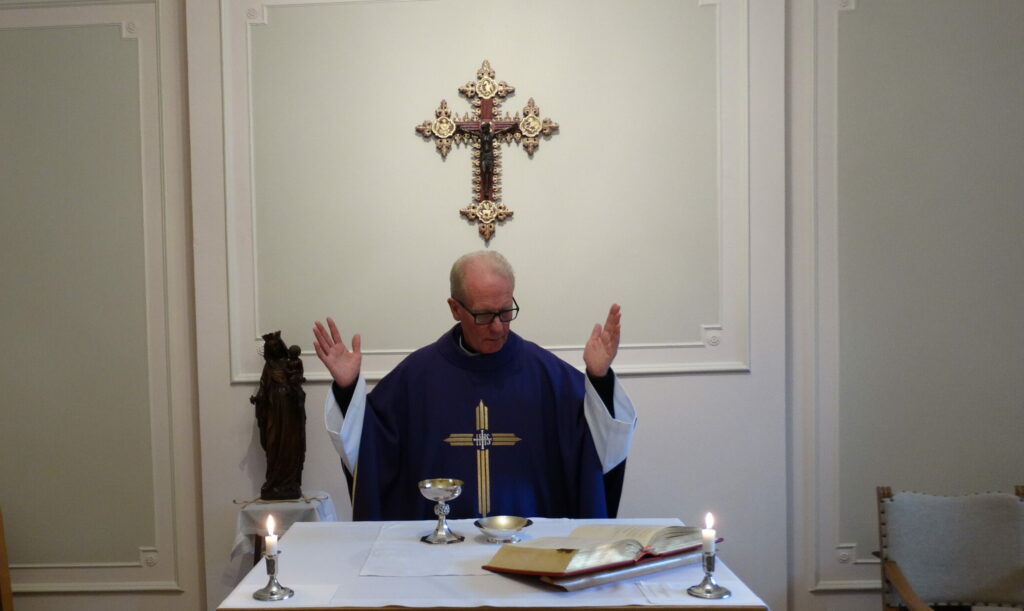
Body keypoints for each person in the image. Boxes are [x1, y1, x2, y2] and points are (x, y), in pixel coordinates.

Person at [313, 251, 636, 520]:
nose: (497, 327)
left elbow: (601, 445)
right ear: (455, 309)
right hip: (435, 554)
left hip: (533, 552)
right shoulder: (417, 377)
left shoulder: (549, 376)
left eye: (506, 311)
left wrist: (598, 379)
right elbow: (370, 444)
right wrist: (347, 388)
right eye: (484, 315)